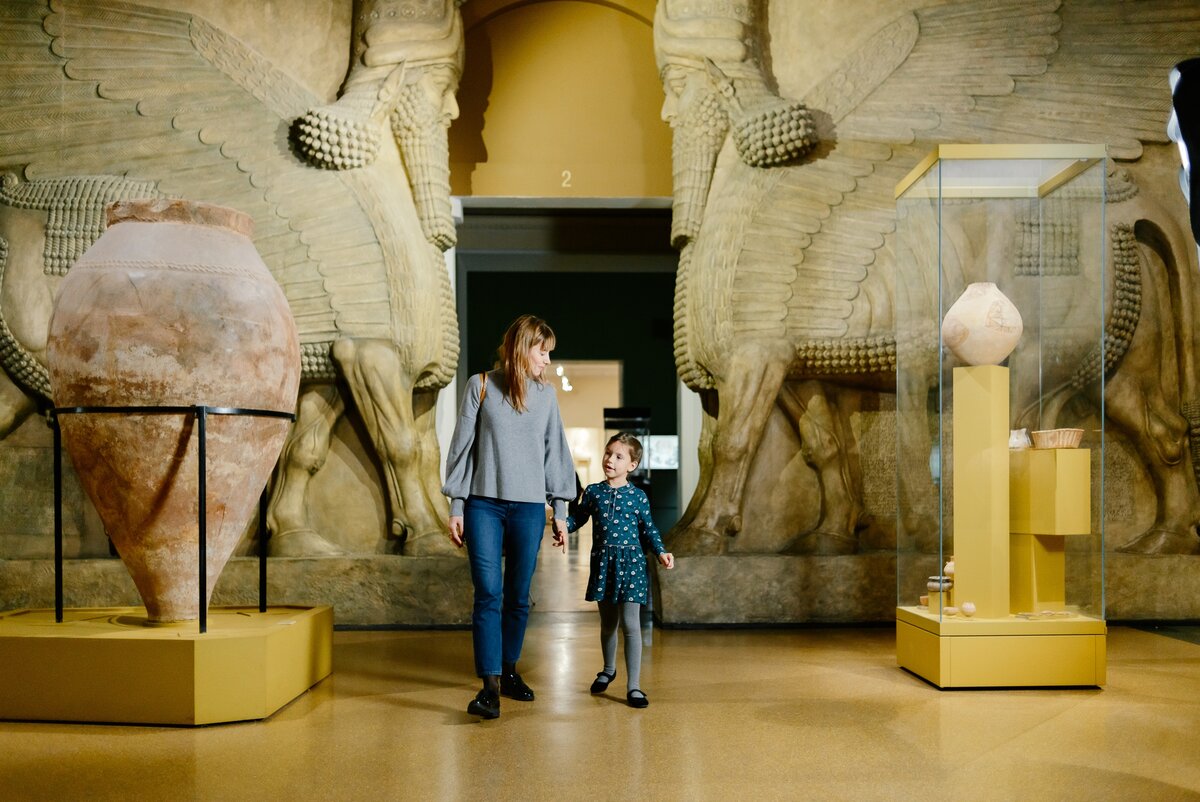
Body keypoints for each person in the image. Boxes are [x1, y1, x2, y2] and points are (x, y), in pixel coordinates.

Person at [442, 314, 576, 720]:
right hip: (484, 504)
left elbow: (556, 453)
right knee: (488, 593)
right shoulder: (480, 385)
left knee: (518, 596)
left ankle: (511, 669)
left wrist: (562, 512)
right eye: (543, 351)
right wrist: (457, 505)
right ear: (523, 348)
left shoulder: (547, 396)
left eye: (549, 353)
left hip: (530, 508)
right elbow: (461, 450)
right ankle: (490, 688)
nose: (547, 361)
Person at [567, 433, 674, 708]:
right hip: (605, 564)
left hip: (633, 566)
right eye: (608, 453)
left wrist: (661, 551)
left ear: (632, 465)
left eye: (618, 456)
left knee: (631, 625)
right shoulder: (593, 492)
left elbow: (648, 528)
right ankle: (608, 669)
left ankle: (634, 686)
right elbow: (577, 518)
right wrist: (561, 528)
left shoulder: (638, 497)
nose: (610, 460)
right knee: (608, 624)